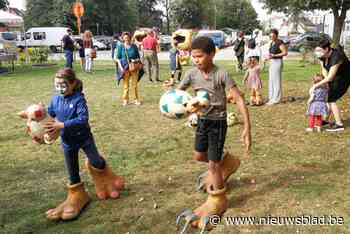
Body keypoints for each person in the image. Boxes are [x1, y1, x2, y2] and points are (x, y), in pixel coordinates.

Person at [175, 36, 251, 232]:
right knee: (200, 156)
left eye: (199, 56)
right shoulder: (192, 74)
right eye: (193, 57)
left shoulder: (221, 74)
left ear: (211, 54)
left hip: (218, 122)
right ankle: (228, 160)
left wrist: (247, 128)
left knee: (212, 165)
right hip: (202, 121)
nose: (196, 60)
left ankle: (218, 201)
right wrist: (180, 102)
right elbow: (178, 94)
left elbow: (239, 99)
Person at [43, 68, 125, 221]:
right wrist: (41, 115)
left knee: (95, 161)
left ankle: (104, 173)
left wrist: (62, 125)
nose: (60, 89)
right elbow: (50, 114)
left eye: (63, 85)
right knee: (72, 170)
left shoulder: (78, 99)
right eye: (57, 85)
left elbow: (83, 119)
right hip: (67, 141)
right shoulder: (55, 100)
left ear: (73, 84)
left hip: (84, 138)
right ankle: (77, 195)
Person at [311, 39, 350, 131]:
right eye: (317, 50)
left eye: (320, 50)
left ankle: (339, 124)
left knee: (332, 99)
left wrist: (315, 86)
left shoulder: (337, 57)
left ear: (327, 49)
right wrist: (326, 81)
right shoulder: (322, 56)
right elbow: (324, 69)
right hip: (336, 76)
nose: (318, 53)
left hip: (346, 77)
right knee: (329, 96)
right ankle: (325, 120)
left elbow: (331, 77)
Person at [116, 32, 142, 106]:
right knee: (126, 85)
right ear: (123, 39)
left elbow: (138, 57)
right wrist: (121, 68)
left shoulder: (134, 46)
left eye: (127, 38)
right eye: (125, 38)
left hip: (134, 67)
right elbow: (118, 58)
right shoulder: (121, 46)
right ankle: (125, 100)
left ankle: (136, 99)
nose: (126, 39)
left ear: (130, 38)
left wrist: (135, 60)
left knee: (134, 85)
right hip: (125, 68)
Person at [265, 28, 288, 105]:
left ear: (276, 35)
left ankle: (276, 99)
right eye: (270, 36)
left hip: (277, 62)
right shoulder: (272, 43)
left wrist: (274, 55)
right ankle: (271, 97)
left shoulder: (279, 42)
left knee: (276, 81)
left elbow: (285, 53)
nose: (271, 37)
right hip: (272, 62)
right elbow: (271, 54)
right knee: (271, 80)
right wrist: (268, 57)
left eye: (273, 35)